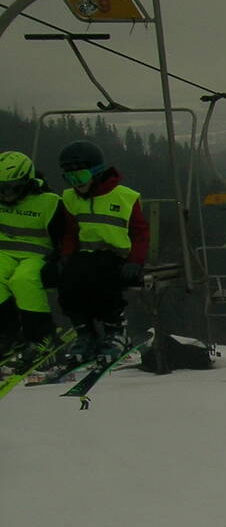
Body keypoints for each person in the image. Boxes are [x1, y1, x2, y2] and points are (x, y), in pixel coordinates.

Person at [55, 140, 147, 360]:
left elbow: (140, 233)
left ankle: (116, 331)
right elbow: (70, 231)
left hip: (116, 256)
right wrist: (66, 255)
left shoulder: (124, 197)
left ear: (96, 172)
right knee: (68, 281)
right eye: (70, 178)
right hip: (85, 256)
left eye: (81, 176)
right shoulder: (71, 198)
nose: (77, 183)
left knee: (103, 280)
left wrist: (135, 260)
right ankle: (84, 332)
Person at [0, 150, 66, 362]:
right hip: (4, 253)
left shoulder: (48, 202)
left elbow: (63, 237)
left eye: (12, 188)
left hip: (36, 255)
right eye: (1, 189)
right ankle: (7, 332)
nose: (6, 195)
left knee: (23, 280)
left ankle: (41, 334)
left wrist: (58, 260)